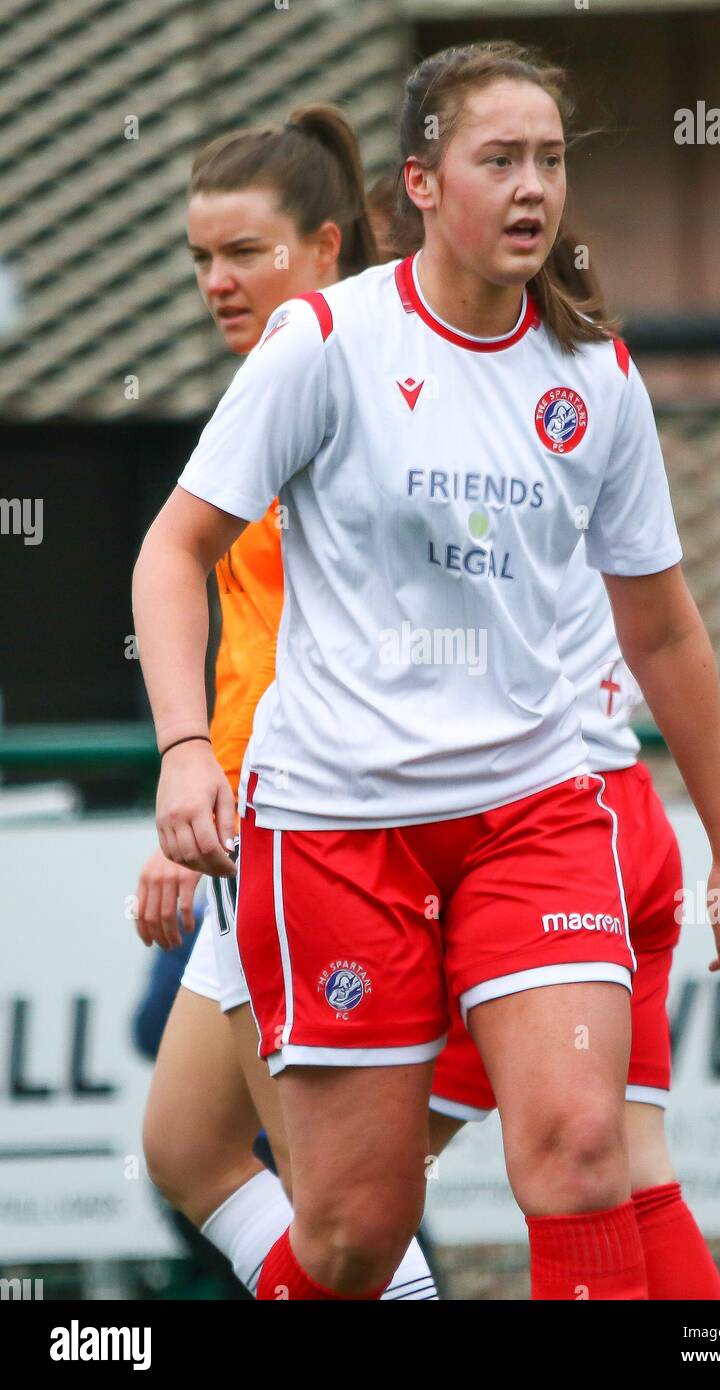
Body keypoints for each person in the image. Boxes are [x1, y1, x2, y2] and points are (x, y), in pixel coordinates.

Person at [133, 40, 720, 1301]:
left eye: (547, 161)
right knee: (351, 1238)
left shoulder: (595, 376)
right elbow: (172, 551)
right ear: (421, 184)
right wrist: (183, 748)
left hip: (533, 815)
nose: (531, 187)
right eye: (499, 160)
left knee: (586, 1150)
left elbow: (665, 633)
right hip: (334, 829)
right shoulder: (324, 342)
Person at [133, 105, 436, 1299]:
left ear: (323, 247)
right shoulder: (276, 383)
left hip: (319, 826)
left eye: (243, 253)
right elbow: (250, 633)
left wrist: (203, 764)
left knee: (341, 1212)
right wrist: (190, 763)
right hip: (252, 814)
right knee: (187, 1147)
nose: (216, 281)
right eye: (200, 258)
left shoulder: (335, 382)